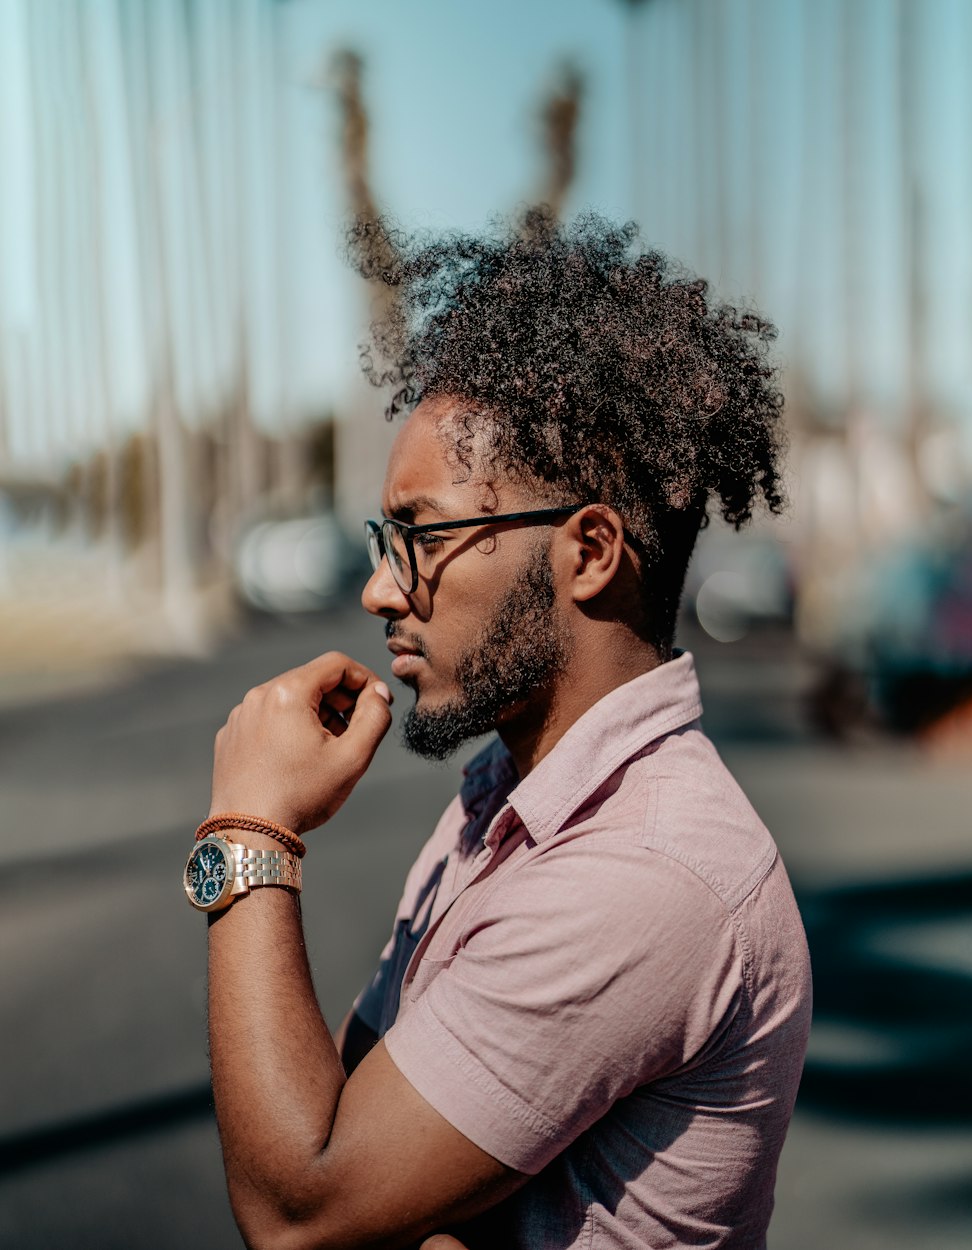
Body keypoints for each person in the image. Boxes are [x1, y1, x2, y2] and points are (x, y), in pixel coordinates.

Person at [187, 211, 812, 1250]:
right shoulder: (505, 798)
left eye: (420, 536)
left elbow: (304, 1203)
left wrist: (248, 827)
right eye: (385, 539)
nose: (379, 588)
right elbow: (354, 1113)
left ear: (590, 550)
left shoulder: (642, 870)